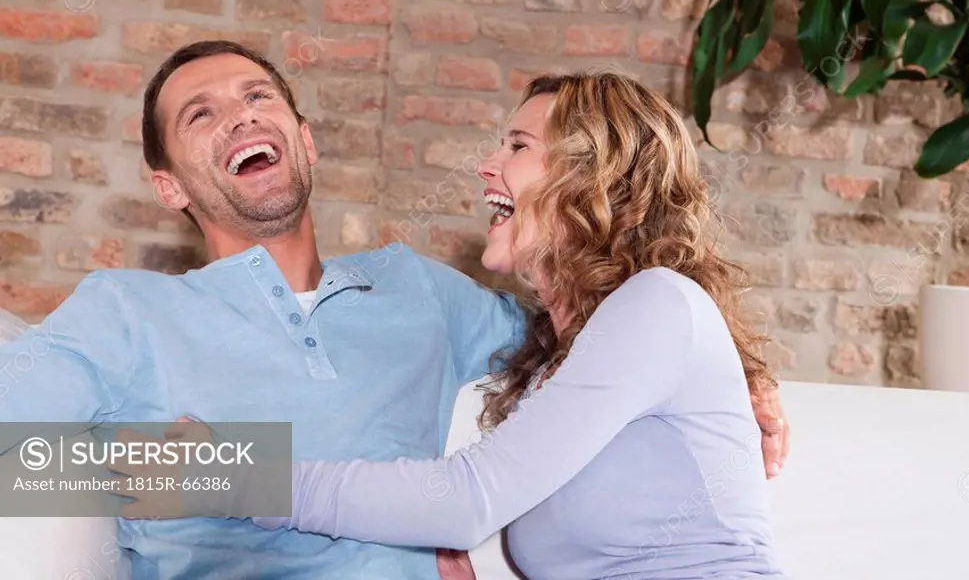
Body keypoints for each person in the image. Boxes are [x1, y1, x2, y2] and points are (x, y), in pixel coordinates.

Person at [0, 44, 788, 579]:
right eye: (200, 115)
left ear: (306, 142)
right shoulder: (125, 311)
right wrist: (187, 471)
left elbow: (588, 347)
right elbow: (11, 457)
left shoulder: (421, 291)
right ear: (168, 185)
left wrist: (742, 373)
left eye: (257, 96)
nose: (239, 115)